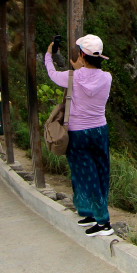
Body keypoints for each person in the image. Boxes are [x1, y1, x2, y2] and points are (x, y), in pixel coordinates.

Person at [44, 34, 114, 236]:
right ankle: (89, 212)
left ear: (82, 55)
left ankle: (103, 221)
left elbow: (51, 73)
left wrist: (49, 54)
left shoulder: (72, 77)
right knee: (100, 171)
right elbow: (90, 80)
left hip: (78, 133)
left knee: (83, 174)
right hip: (100, 129)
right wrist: (80, 68)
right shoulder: (107, 77)